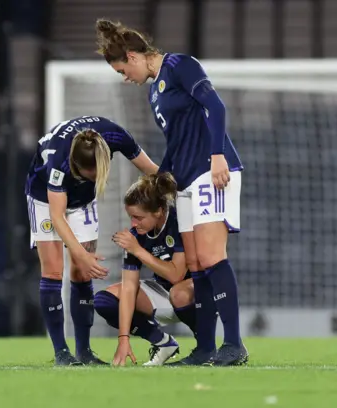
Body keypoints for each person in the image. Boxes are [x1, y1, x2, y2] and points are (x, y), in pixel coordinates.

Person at [95, 19, 248, 366]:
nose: (124, 77)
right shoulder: (154, 91)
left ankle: (234, 345)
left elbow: (216, 106)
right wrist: (161, 179)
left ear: (133, 56)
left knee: (211, 258)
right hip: (184, 179)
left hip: (211, 172)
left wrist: (218, 155)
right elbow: (177, 142)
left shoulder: (180, 65)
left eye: (122, 69)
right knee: (194, 264)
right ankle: (207, 348)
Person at [25, 115, 158, 365]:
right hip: (44, 198)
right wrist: (82, 255)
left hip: (82, 202)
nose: (98, 179)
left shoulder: (115, 135)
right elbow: (56, 216)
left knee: (82, 274)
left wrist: (177, 194)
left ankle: (84, 352)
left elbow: (152, 171)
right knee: (53, 271)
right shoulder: (58, 163)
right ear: (76, 166)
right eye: (91, 175)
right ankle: (61, 353)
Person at [94, 172, 197, 366]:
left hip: (195, 293)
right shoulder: (137, 236)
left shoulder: (177, 221)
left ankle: (204, 345)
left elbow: (177, 275)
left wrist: (138, 250)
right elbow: (129, 288)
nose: (133, 223)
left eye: (138, 217)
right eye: (130, 217)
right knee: (104, 301)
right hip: (165, 292)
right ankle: (163, 342)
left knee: (179, 293)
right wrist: (123, 338)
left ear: (158, 211)